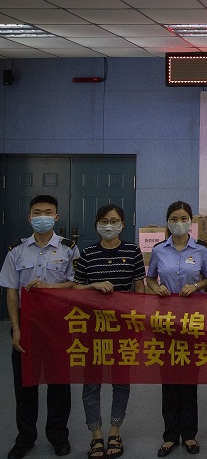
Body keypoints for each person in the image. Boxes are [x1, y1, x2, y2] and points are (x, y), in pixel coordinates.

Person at [1, 195, 80, 459]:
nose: (42, 216)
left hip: (58, 324)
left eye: (48, 212)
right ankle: (25, 437)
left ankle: (58, 435)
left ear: (56, 217)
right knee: (26, 383)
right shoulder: (16, 251)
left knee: (59, 382)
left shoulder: (69, 249)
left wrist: (49, 287)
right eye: (37, 212)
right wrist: (16, 328)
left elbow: (76, 284)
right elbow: (11, 292)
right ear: (29, 217)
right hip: (27, 324)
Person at [73, 204, 146, 459]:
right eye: (104, 221)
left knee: (120, 381)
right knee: (91, 383)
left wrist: (137, 321)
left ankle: (115, 430)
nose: (109, 225)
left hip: (122, 328)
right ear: (97, 224)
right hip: (92, 328)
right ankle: (96, 434)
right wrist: (92, 285)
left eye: (114, 221)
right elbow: (76, 288)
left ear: (123, 224)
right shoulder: (88, 253)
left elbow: (139, 288)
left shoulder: (132, 251)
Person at [146, 201, 207, 457]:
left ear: (190, 222)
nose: (179, 222)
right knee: (170, 378)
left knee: (190, 377)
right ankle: (170, 435)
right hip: (165, 319)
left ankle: (190, 434)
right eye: (174, 218)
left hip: (193, 320)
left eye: (184, 218)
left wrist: (196, 287)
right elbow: (150, 278)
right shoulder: (159, 250)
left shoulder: (202, 250)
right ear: (168, 222)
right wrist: (156, 288)